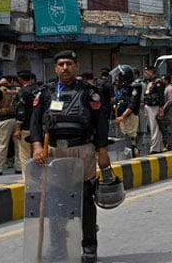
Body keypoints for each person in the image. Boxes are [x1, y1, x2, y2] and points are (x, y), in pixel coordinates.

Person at [30, 50, 110, 263]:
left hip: (81, 151)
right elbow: (35, 122)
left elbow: (101, 123)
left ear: (76, 66)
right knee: (55, 202)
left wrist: (103, 151)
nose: (65, 68)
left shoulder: (89, 92)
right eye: (61, 64)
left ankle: (89, 247)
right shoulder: (45, 93)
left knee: (84, 199)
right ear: (55, 68)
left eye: (68, 64)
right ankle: (58, 247)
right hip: (54, 153)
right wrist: (38, 147)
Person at [0, 75, 21, 175]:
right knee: (18, 146)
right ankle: (19, 167)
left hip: (4, 120)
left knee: (1, 146)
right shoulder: (18, 90)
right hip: (16, 120)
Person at [112, 65, 142, 157]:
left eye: (120, 75)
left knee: (131, 136)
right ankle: (128, 154)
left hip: (130, 115)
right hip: (122, 114)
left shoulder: (135, 86)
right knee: (125, 136)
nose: (117, 77)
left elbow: (132, 104)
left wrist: (122, 116)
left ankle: (133, 153)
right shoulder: (123, 86)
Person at [14, 71, 38, 177]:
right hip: (38, 129)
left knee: (25, 156)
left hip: (26, 128)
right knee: (38, 156)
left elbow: (21, 112)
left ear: (20, 79)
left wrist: (18, 129)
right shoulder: (39, 90)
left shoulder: (22, 92)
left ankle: (27, 180)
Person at [142, 66, 165, 154]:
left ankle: (155, 147)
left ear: (152, 72)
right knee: (153, 128)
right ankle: (158, 147)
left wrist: (161, 108)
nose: (145, 74)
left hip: (154, 107)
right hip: (148, 106)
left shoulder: (158, 82)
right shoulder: (149, 82)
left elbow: (160, 96)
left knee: (155, 127)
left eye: (147, 72)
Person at [160, 75, 172, 151]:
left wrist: (163, 109)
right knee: (165, 129)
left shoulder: (170, 89)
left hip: (168, 111)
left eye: (162, 79)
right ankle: (165, 144)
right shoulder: (165, 88)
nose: (161, 81)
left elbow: (170, 101)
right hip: (164, 112)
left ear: (166, 80)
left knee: (169, 129)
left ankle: (169, 145)